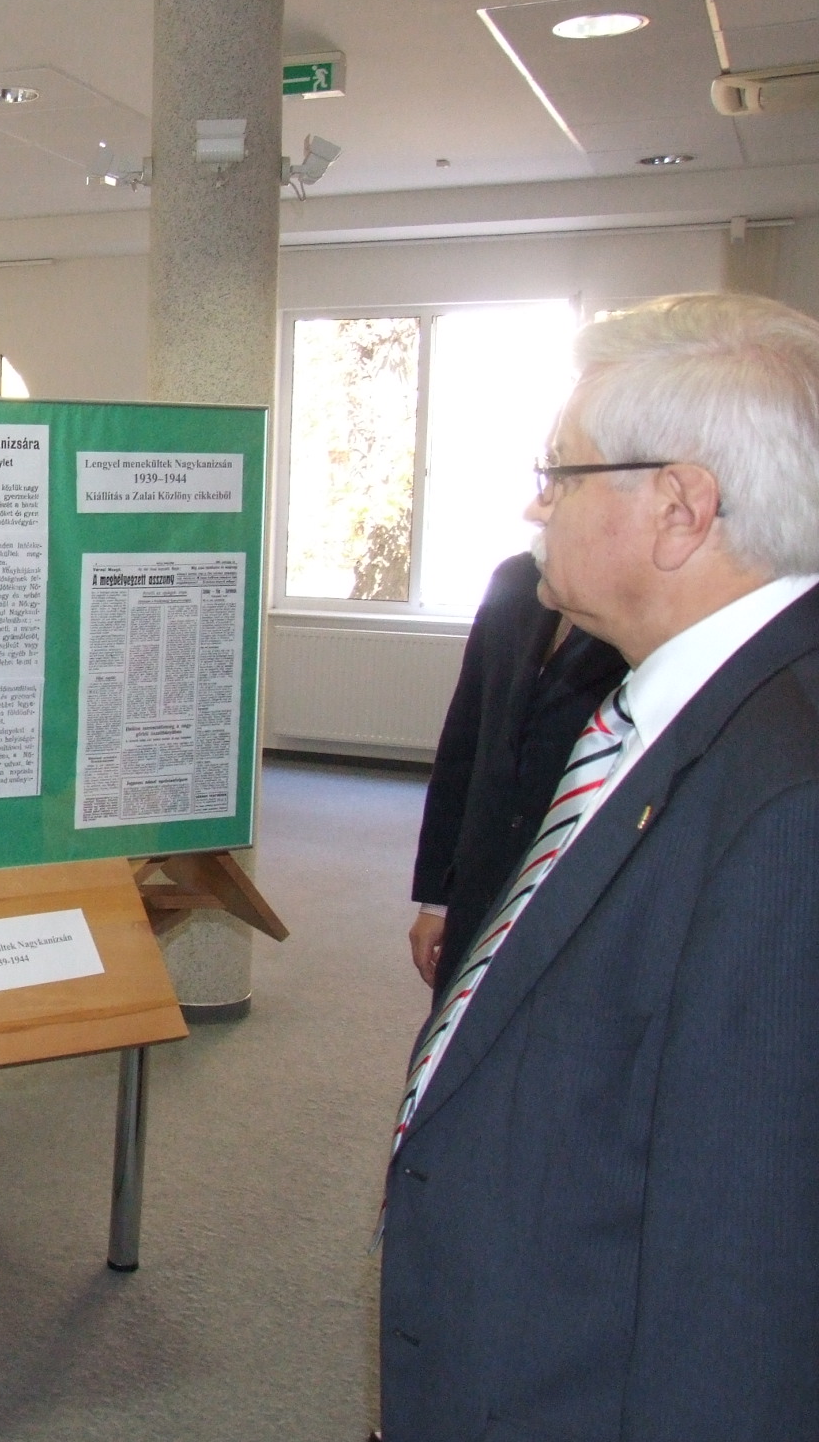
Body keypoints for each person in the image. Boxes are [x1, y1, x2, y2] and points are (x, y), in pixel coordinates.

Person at [378, 293, 819, 1440]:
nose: (536, 504)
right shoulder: (680, 713)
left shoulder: (785, 801)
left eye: (561, 473)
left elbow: (747, 1269)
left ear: (678, 509)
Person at [406, 552, 625, 994]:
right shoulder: (515, 579)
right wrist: (437, 901)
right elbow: (464, 743)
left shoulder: (654, 601)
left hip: (577, 893)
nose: (537, 515)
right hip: (479, 884)